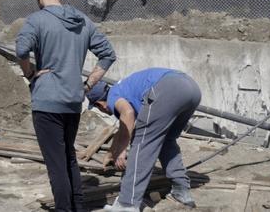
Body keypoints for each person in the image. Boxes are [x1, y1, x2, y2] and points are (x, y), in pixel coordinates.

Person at [16, 0, 116, 212]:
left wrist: (30, 73)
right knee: (69, 156)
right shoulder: (82, 20)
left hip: (47, 100)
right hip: (73, 100)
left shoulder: (36, 20)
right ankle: (78, 207)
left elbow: (21, 50)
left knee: (56, 164)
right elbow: (108, 55)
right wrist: (88, 85)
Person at [86, 69, 201, 211]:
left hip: (167, 89)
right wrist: (110, 154)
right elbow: (124, 129)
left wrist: (121, 150)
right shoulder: (123, 88)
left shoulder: (113, 98)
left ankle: (127, 203)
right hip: (191, 89)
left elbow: (128, 114)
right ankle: (181, 191)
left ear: (99, 104)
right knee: (166, 140)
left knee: (142, 144)